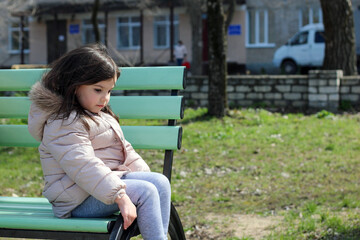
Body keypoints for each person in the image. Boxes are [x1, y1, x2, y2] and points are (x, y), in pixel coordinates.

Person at [27, 43, 171, 240]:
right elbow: (84, 165)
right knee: (145, 191)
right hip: (76, 199)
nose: (105, 98)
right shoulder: (62, 122)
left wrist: (142, 175)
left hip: (100, 188)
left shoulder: (97, 114)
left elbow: (124, 150)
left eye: (109, 91)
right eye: (98, 90)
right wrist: (120, 196)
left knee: (159, 182)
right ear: (75, 85)